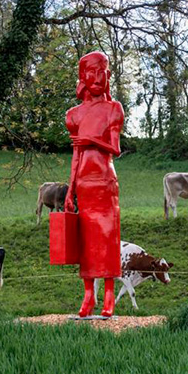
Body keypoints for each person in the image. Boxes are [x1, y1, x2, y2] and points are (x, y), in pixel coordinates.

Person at [63, 51, 125, 318]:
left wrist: (91, 141)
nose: (97, 78)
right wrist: (70, 189)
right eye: (91, 73)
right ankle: (89, 295)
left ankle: (109, 295)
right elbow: (76, 156)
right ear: (83, 77)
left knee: (108, 238)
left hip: (105, 182)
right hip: (84, 184)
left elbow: (115, 148)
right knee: (87, 242)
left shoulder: (113, 109)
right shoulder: (73, 115)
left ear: (107, 76)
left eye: (102, 72)